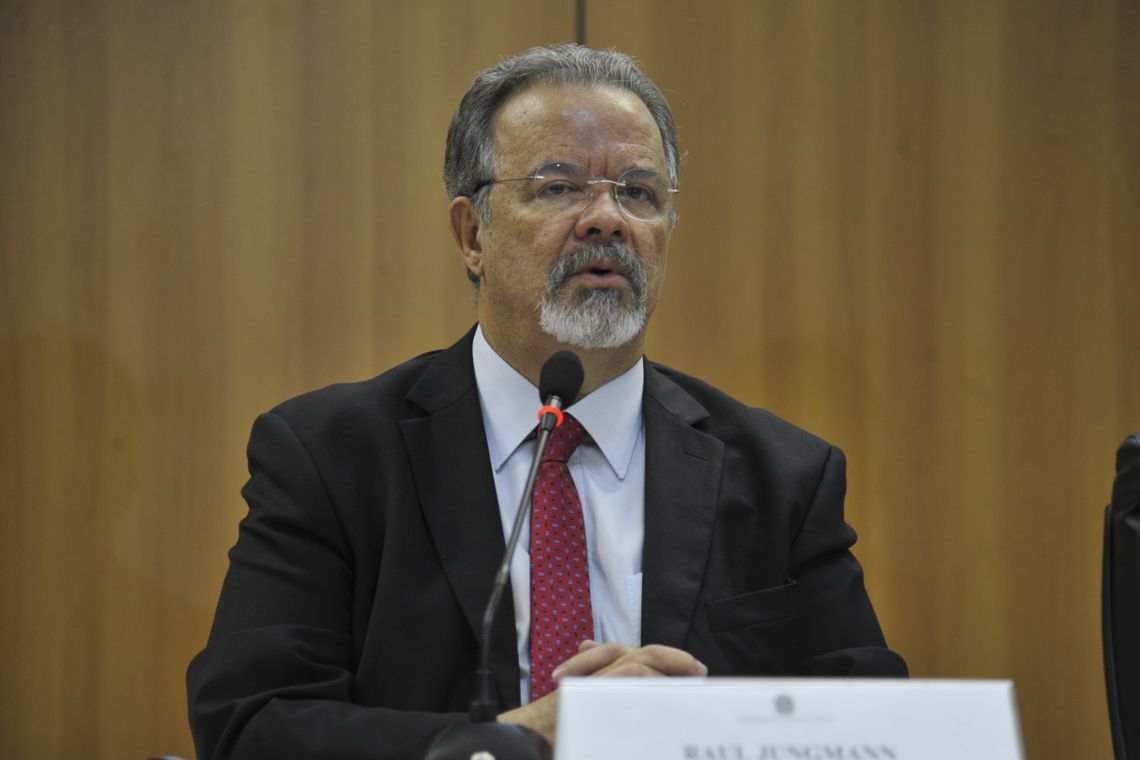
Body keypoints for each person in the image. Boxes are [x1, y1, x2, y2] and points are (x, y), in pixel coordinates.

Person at [187, 43, 906, 760]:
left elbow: (876, 728)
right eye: (558, 188)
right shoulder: (331, 456)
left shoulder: (784, 476)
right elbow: (252, 724)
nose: (607, 219)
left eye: (639, 192)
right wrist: (506, 744)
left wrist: (696, 729)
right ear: (473, 235)